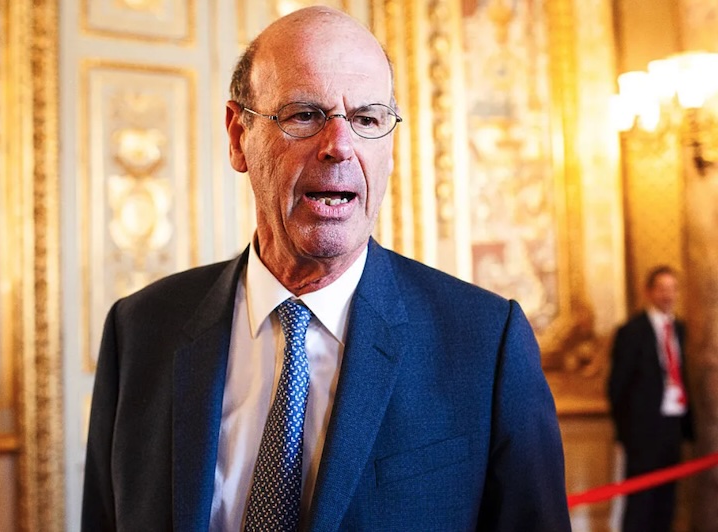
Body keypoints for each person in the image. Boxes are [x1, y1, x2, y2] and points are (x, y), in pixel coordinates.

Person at [82, 6, 571, 531]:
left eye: (367, 119)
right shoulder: (140, 331)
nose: (339, 146)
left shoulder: (485, 343)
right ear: (238, 135)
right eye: (304, 115)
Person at [608, 265, 694, 532]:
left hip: (673, 424)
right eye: (662, 289)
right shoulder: (631, 331)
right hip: (642, 431)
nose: (668, 295)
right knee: (640, 503)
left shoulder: (680, 329)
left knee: (666, 501)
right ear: (649, 292)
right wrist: (626, 432)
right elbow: (617, 386)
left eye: (672, 289)